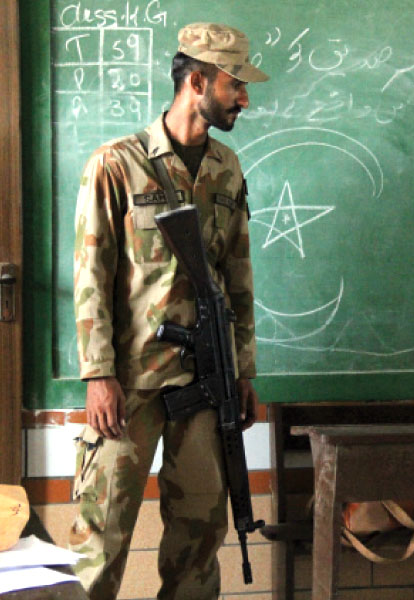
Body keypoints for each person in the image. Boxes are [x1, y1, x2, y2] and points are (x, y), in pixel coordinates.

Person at [68, 23, 268, 600]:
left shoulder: (226, 168)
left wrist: (244, 371)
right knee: (100, 539)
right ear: (198, 81)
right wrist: (98, 375)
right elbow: (90, 277)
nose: (245, 99)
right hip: (129, 383)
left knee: (200, 537)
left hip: (207, 383)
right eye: (236, 86)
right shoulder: (117, 164)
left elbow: (239, 275)